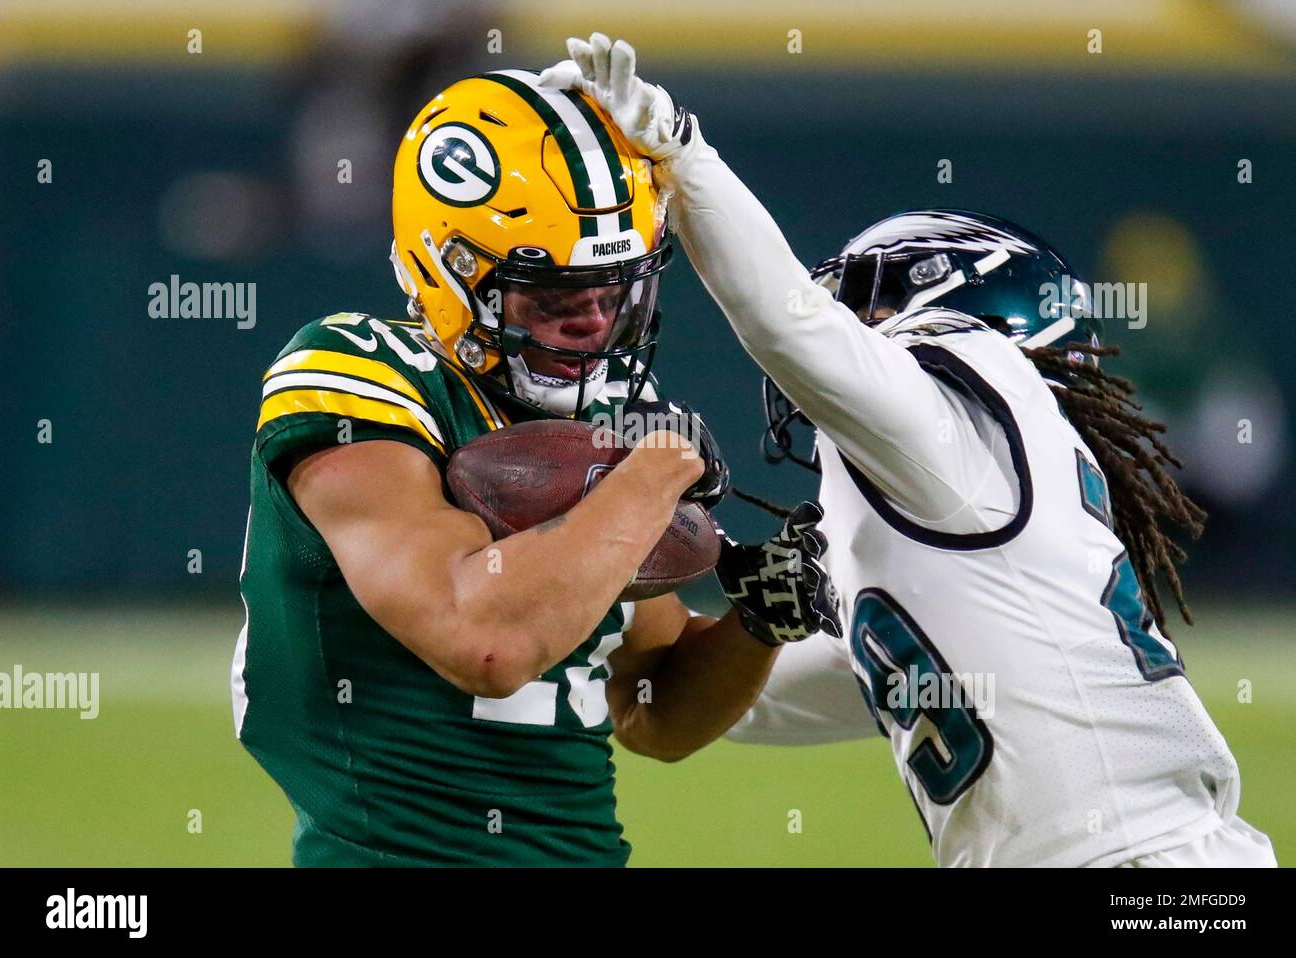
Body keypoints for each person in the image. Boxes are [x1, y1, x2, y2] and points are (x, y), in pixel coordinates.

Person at [541, 34, 1277, 867]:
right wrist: (723, 621)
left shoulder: (972, 387)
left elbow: (790, 327)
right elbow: (744, 705)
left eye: (862, 305)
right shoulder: (966, 523)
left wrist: (684, 157)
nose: (851, 330)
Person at [230, 67, 840, 867]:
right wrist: (652, 475)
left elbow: (651, 707)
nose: (593, 321)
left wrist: (758, 626)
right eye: (557, 295)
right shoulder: (359, 371)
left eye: (614, 290)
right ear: (451, 275)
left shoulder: (613, 412)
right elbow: (485, 642)